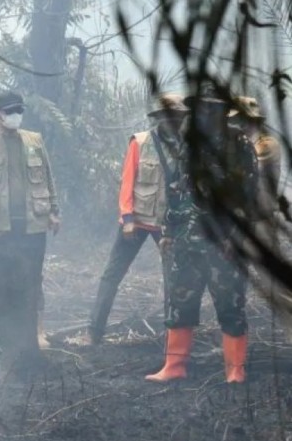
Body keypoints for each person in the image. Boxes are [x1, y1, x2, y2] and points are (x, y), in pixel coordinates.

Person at [146, 94, 257, 383]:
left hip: (225, 243)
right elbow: (178, 190)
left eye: (212, 108)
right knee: (180, 301)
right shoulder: (189, 143)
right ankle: (174, 366)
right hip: (187, 240)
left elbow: (249, 197)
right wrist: (169, 232)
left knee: (230, 303)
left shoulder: (239, 143)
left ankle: (235, 369)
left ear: (222, 111)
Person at [86, 94, 187, 344]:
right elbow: (127, 181)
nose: (174, 121)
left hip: (168, 223)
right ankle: (94, 331)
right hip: (137, 218)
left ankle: (171, 336)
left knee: (173, 279)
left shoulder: (187, 146)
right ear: (160, 118)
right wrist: (127, 217)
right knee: (112, 274)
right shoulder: (140, 142)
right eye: (169, 117)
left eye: (178, 117)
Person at [0, 91, 60, 377]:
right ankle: (8, 353)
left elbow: (48, 177)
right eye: (9, 111)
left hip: (32, 227)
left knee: (29, 286)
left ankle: (30, 353)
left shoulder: (34, 140)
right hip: (0, 229)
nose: (15, 115)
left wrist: (53, 211)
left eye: (18, 111)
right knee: (3, 290)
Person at [228, 96, 292, 340]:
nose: (237, 124)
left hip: (260, 222)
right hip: (240, 221)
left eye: (240, 119)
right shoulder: (239, 144)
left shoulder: (267, 145)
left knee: (273, 284)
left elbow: (242, 169)